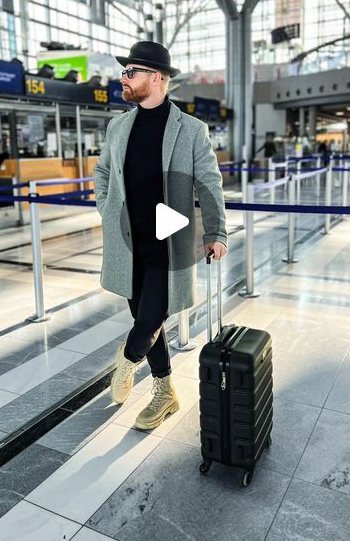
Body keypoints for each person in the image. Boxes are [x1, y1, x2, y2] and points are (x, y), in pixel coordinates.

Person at [93, 41, 228, 431]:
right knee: (144, 317)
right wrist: (105, 207)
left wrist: (216, 231)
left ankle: (127, 360)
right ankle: (165, 392)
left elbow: (209, 184)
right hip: (127, 241)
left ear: (156, 78)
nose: (123, 78)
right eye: (124, 71)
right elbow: (103, 172)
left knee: (151, 318)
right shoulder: (119, 126)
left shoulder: (190, 130)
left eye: (130, 72)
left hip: (169, 243)